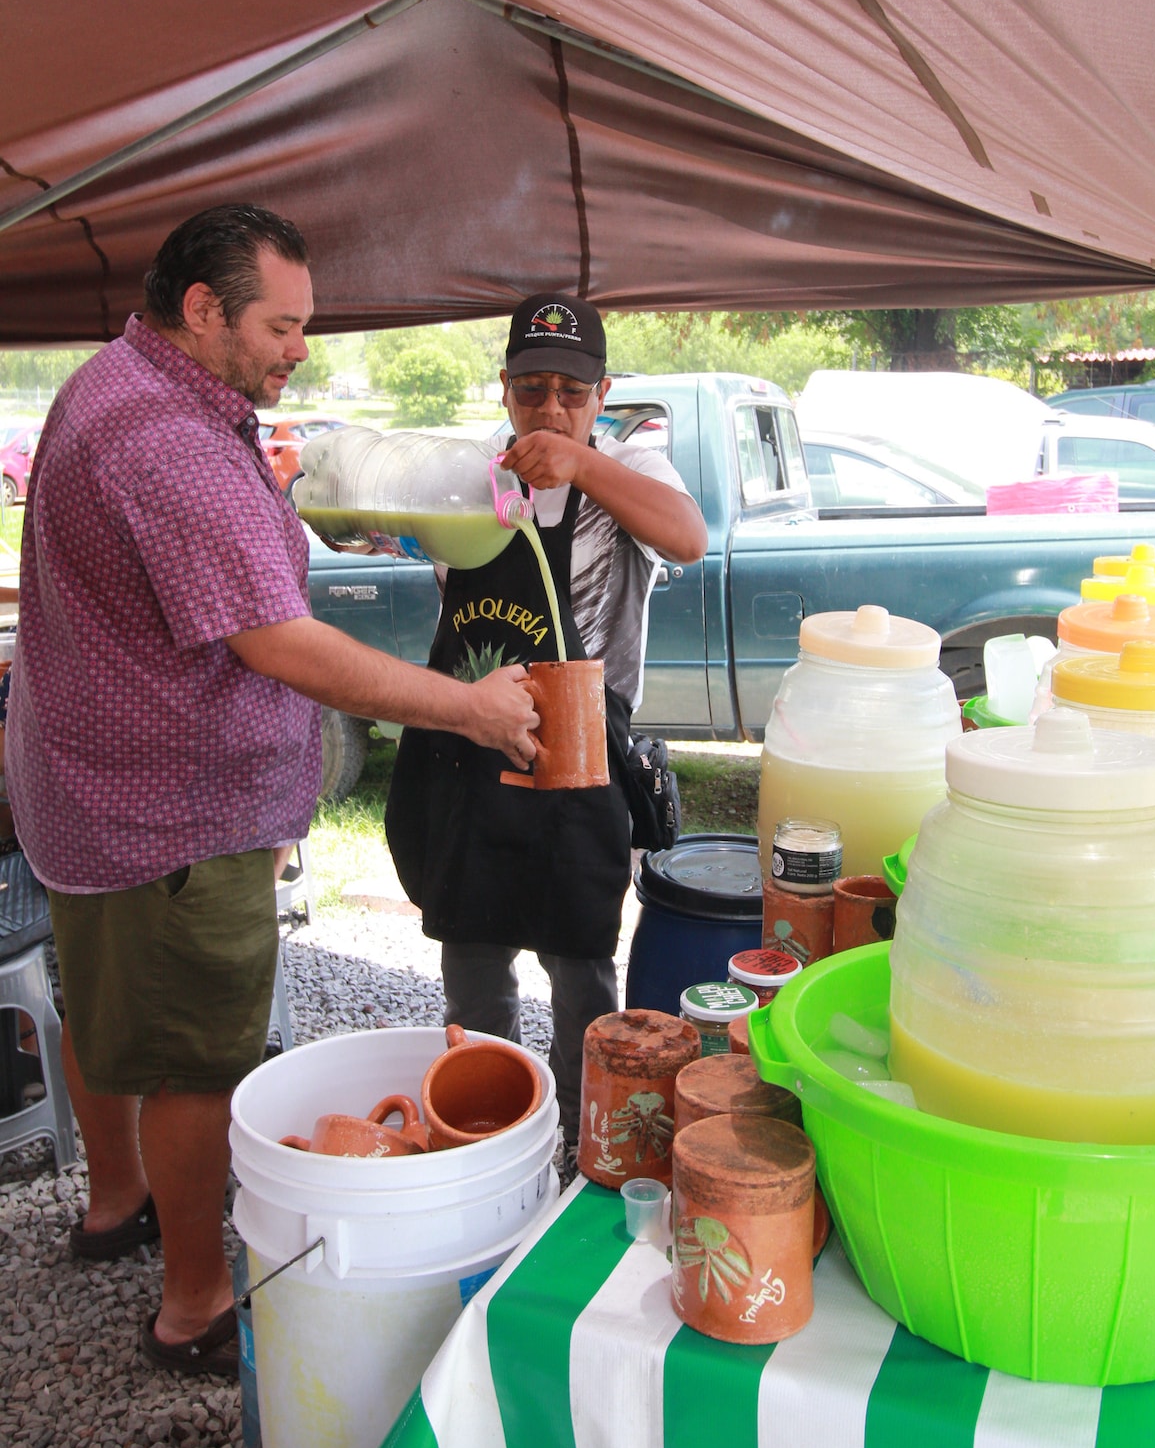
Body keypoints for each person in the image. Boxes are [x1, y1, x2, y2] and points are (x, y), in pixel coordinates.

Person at [6, 205, 537, 1379]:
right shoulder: (170, 442)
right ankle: (194, 1303)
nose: (301, 346)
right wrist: (471, 706)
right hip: (174, 809)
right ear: (203, 309)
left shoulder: (121, 381)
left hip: (86, 792)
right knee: (198, 1056)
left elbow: (209, 558)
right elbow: (278, 644)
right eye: (281, 325)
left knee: (103, 1010)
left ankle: (114, 1208)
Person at [385, 294, 707, 1158]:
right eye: (532, 390)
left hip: (582, 752)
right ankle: (485, 1135)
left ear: (603, 395)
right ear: (503, 391)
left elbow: (687, 538)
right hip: (471, 745)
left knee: (579, 959)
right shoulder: (470, 478)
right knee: (472, 951)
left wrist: (580, 464)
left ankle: (581, 1137)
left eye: (572, 391)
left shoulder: (634, 474)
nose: (551, 409)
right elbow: (389, 534)